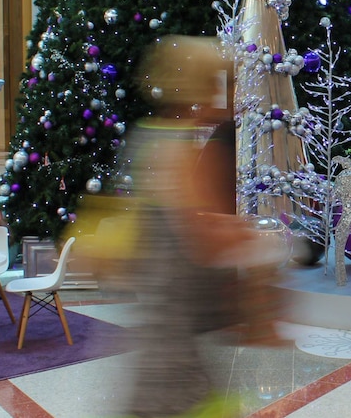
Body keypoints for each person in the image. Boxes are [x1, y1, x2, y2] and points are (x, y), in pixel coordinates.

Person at [86, 35, 286, 417]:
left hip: (165, 333)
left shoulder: (149, 136)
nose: (225, 96)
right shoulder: (182, 149)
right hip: (174, 346)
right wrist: (255, 242)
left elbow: (177, 218)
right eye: (219, 82)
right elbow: (203, 242)